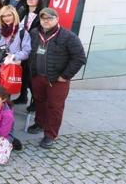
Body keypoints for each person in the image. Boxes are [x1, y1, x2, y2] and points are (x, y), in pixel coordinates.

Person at [27, 8, 86, 149]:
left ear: (57, 19)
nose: (46, 21)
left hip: (57, 80)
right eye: (43, 18)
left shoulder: (68, 36)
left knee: (55, 107)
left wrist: (65, 76)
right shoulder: (35, 33)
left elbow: (79, 58)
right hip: (38, 76)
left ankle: (50, 134)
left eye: (49, 18)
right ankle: (40, 123)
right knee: (39, 102)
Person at [0, 5, 31, 88]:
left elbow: (26, 51)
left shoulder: (22, 31)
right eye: (3, 16)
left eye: (9, 15)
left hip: (10, 65)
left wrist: (13, 56)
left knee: (5, 92)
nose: (6, 18)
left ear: (14, 15)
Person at [15, 0, 44, 105]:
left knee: (31, 76)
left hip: (34, 47)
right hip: (21, 46)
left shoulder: (41, 14)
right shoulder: (23, 11)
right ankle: (23, 96)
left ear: (39, 0)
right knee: (23, 74)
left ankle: (36, 102)